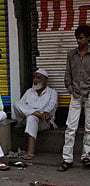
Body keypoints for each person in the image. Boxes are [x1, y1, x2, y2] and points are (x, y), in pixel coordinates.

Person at [58, 24, 90, 172]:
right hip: (76, 95)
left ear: (88, 38)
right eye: (77, 38)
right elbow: (67, 75)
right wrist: (71, 90)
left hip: (89, 95)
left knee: (89, 128)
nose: (78, 40)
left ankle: (86, 156)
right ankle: (67, 159)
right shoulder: (71, 54)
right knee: (70, 128)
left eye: (81, 38)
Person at [14, 68, 58, 160]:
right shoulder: (29, 91)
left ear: (46, 80)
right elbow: (20, 105)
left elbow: (51, 106)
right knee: (16, 104)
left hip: (44, 121)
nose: (35, 80)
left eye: (38, 78)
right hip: (27, 120)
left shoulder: (52, 92)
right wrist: (34, 113)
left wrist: (44, 113)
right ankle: (35, 114)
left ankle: (30, 152)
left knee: (32, 118)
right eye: (34, 77)